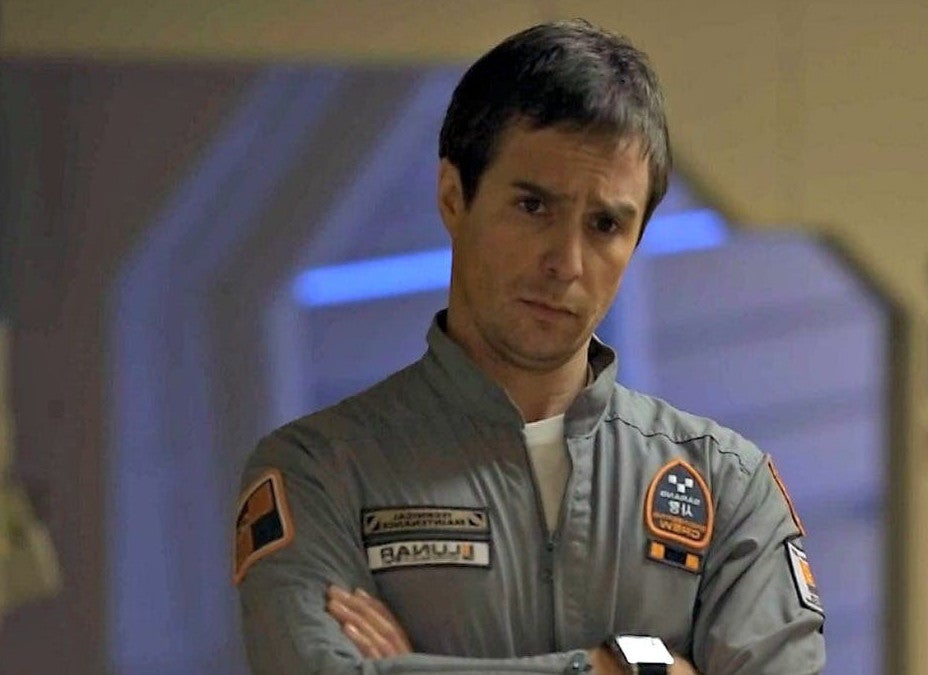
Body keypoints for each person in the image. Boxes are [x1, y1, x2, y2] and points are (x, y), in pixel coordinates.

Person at [234, 19, 826, 674]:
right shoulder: (321, 470)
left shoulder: (726, 483)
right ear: (453, 196)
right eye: (533, 207)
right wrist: (620, 668)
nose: (566, 262)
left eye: (605, 224)